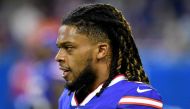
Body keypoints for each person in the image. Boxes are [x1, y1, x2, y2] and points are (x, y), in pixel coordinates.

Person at [55, 3, 163, 109]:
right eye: (59, 48)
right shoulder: (66, 97)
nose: (58, 57)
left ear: (101, 50)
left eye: (69, 48)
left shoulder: (133, 97)